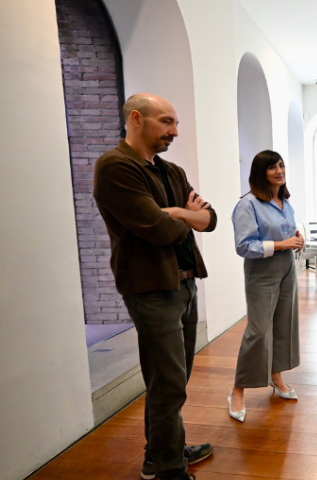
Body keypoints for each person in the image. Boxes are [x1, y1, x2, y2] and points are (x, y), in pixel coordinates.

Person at [93, 93, 215, 480]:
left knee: (174, 380)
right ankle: (168, 469)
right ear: (136, 119)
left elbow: (209, 219)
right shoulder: (115, 167)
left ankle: (161, 452)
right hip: (151, 289)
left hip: (185, 284)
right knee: (168, 383)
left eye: (174, 123)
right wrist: (186, 217)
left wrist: (179, 212)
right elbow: (158, 231)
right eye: (166, 122)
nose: (175, 131)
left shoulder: (170, 170)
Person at [228, 151, 304, 422]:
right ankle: (237, 390)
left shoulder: (284, 201)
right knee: (258, 330)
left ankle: (276, 377)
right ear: (261, 172)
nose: (279, 171)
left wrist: (296, 238)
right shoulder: (247, 204)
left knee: (283, 323)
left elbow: (286, 232)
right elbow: (244, 246)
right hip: (262, 271)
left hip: (287, 268)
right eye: (272, 167)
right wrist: (283, 244)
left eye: (281, 165)